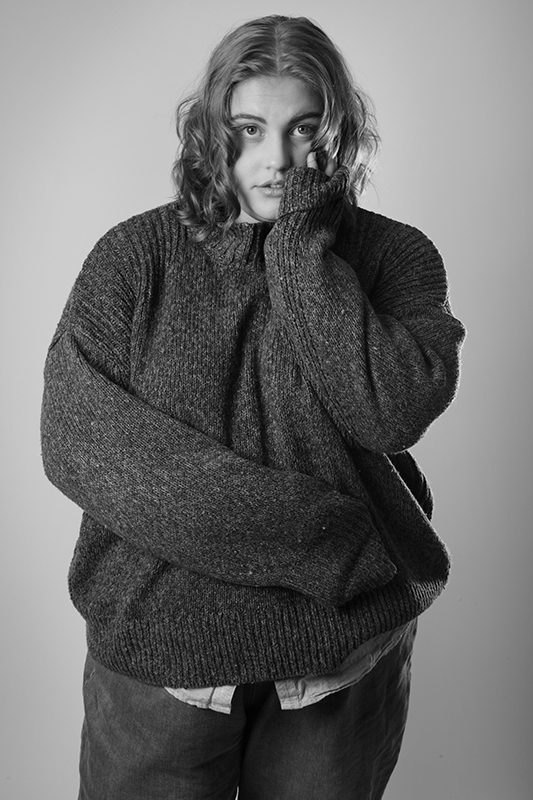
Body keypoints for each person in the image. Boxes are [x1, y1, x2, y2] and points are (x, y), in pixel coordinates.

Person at [41, 14, 465, 800]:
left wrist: (300, 247)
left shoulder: (396, 256)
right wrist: (323, 541)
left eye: (303, 128)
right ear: (212, 130)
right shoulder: (136, 256)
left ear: (336, 132)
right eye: (248, 129)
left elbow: (388, 412)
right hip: (165, 657)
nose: (275, 159)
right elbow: (79, 440)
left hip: (341, 657)